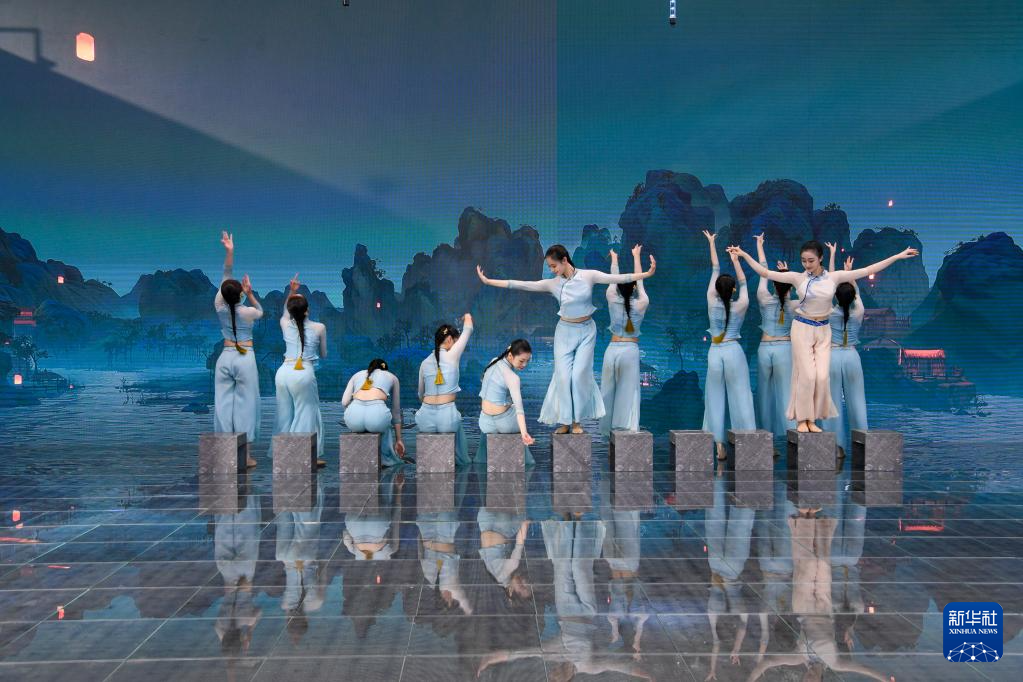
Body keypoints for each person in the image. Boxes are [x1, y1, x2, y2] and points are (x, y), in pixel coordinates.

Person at [728, 240, 918, 432]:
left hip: (823, 330)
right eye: (803, 261)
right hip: (803, 328)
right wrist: (744, 255)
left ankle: (812, 420)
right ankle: (803, 421)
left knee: (821, 378)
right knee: (807, 376)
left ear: (820, 258)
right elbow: (765, 272)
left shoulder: (834, 277)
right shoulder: (797, 278)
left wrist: (897, 256)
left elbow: (868, 269)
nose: (807, 265)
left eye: (811, 260)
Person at [477, 244, 656, 434]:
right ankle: (564, 422)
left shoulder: (588, 276)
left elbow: (618, 278)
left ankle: (577, 422)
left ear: (564, 260)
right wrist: (489, 281)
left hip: (586, 331)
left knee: (578, 376)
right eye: (550, 267)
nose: (552, 270)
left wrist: (646, 274)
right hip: (564, 331)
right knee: (563, 377)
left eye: (554, 266)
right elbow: (521, 284)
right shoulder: (553, 283)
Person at [702, 231, 756, 460]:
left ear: (716, 289)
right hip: (734, 350)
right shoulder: (741, 305)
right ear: (732, 290)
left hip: (715, 352)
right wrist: (736, 260)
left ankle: (719, 445)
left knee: (714, 396)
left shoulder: (711, 301)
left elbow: (715, 268)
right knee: (741, 395)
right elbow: (743, 283)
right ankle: (748, 442)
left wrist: (712, 243)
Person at [213, 231, 263, 467]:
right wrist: (250, 294)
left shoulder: (219, 306)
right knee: (247, 405)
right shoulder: (248, 312)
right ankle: (245, 455)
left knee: (222, 405)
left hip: (225, 357)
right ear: (240, 294)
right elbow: (260, 311)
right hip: (245, 357)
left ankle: (224, 455)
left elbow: (226, 274)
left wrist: (229, 251)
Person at [274, 274, 327, 466]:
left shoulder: (285, 323)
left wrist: (292, 290)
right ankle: (304, 456)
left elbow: (285, 311)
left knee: (284, 414)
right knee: (307, 413)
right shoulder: (319, 327)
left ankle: (284, 455)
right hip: (303, 372)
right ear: (307, 310)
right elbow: (324, 354)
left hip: (283, 372)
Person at [599, 244, 651, 436]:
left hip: (612, 349)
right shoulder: (642, 303)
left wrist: (614, 259)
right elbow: (640, 281)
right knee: (629, 392)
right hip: (630, 350)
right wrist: (637, 256)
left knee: (608, 391)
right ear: (634, 287)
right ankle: (626, 429)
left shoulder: (612, 297)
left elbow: (613, 279)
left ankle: (607, 431)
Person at [753, 234, 798, 444]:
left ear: (773, 285)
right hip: (785, 348)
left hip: (765, 347)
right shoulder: (794, 305)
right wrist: (788, 275)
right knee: (787, 393)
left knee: (764, 394)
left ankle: (765, 439)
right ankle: (792, 437)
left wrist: (760, 246)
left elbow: (763, 272)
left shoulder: (763, 298)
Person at [823, 244, 867, 458]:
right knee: (857, 400)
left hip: (832, 356)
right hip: (851, 355)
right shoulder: (859, 311)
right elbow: (854, 295)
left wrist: (833, 257)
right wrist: (850, 274)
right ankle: (863, 442)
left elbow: (830, 287)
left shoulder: (829, 312)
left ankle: (836, 446)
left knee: (832, 401)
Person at [415, 314, 473, 466]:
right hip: (447, 417)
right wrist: (467, 316)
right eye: (455, 341)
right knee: (457, 421)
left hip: (425, 418)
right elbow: (468, 329)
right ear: (449, 340)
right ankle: (458, 464)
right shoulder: (452, 355)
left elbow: (420, 394)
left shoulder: (424, 363)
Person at [476, 339, 536, 465]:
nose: (524, 365)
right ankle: (525, 463)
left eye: (527, 361)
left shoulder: (493, 361)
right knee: (516, 409)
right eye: (521, 361)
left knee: (508, 403)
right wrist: (524, 434)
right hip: (505, 424)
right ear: (510, 355)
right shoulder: (513, 377)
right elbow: (519, 411)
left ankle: (483, 461)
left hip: (484, 423)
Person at [343, 358, 407, 467]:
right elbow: (396, 412)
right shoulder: (392, 377)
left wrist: (355, 411)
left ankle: (359, 458)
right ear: (385, 369)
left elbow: (344, 402)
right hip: (377, 417)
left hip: (354, 418)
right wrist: (399, 440)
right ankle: (386, 458)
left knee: (375, 421)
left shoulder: (356, 375)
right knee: (387, 424)